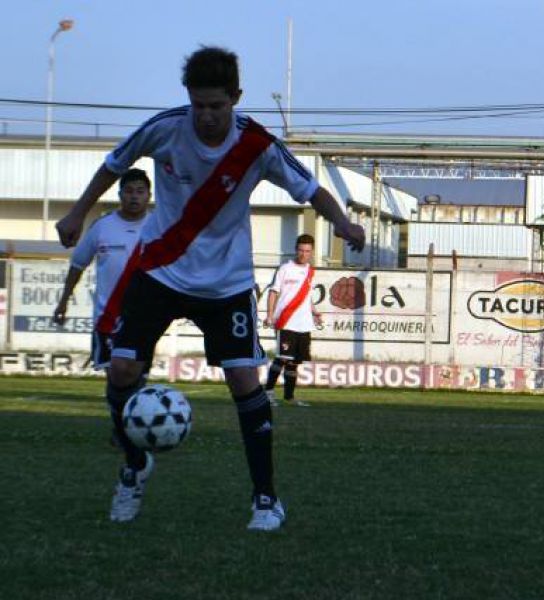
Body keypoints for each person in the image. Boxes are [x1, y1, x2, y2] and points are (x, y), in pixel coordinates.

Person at [55, 46, 365, 532]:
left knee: (244, 382)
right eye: (198, 104)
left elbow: (310, 188)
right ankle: (134, 469)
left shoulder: (256, 145)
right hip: (161, 270)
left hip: (226, 282)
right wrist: (77, 212)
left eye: (217, 106)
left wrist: (343, 222)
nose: (206, 116)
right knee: (121, 369)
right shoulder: (165, 127)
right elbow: (115, 164)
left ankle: (266, 500)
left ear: (236, 98)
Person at [53, 168, 152, 373]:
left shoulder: (158, 226)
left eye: (140, 191)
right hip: (107, 315)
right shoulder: (102, 226)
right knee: (113, 373)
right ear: (120, 195)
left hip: (144, 315)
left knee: (137, 372)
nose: (134, 196)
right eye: (129, 191)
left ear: (148, 196)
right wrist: (63, 302)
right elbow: (78, 265)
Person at [262, 234, 322, 407]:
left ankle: (289, 397)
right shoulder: (285, 269)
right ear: (296, 250)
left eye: (307, 251)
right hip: (286, 320)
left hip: (303, 323)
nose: (304, 254)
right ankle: (268, 393)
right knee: (282, 358)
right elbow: (274, 292)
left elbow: (307, 297)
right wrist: (270, 314)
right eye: (301, 250)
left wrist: (314, 312)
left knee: (294, 362)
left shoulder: (310, 272)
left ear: (311, 252)